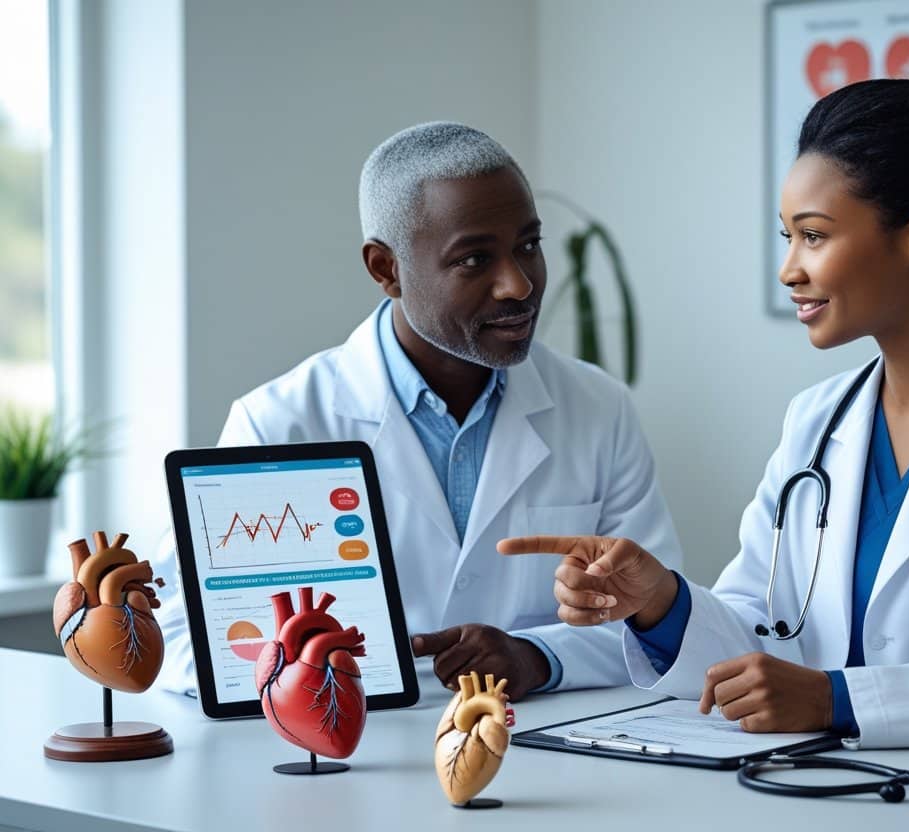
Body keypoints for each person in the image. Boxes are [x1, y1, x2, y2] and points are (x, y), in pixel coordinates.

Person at [501, 80, 909, 747]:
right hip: (866, 789)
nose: (789, 269)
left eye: (814, 237)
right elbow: (762, 629)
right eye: (786, 238)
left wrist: (840, 699)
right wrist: (659, 602)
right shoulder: (818, 421)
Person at [153, 122, 681, 700]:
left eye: (528, 245)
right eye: (475, 259)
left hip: (543, 749)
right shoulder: (279, 424)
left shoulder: (597, 407)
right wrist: (333, 672)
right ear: (386, 269)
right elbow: (185, 641)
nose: (519, 284)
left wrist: (536, 655)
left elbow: (657, 617)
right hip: (352, 758)